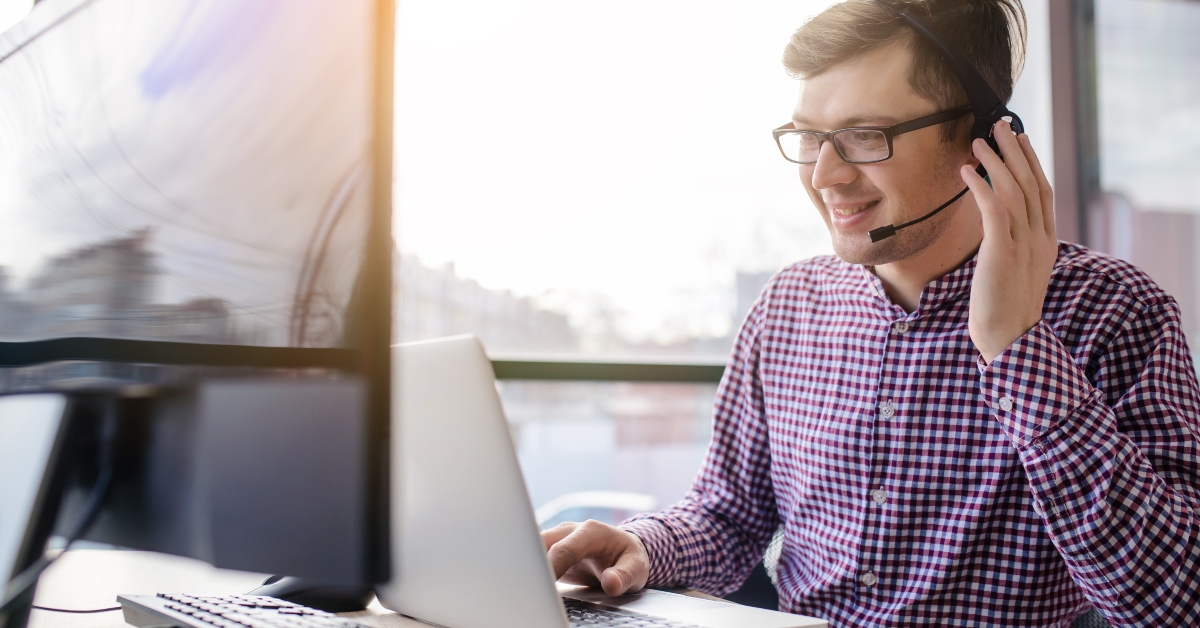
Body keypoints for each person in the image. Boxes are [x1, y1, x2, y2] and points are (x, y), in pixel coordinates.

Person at [541, 0, 1200, 626]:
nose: (824, 174)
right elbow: (728, 516)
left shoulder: (1117, 312)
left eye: (863, 136)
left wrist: (1018, 348)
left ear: (985, 142)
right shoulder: (788, 306)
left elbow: (1175, 604)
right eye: (808, 136)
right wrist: (641, 546)